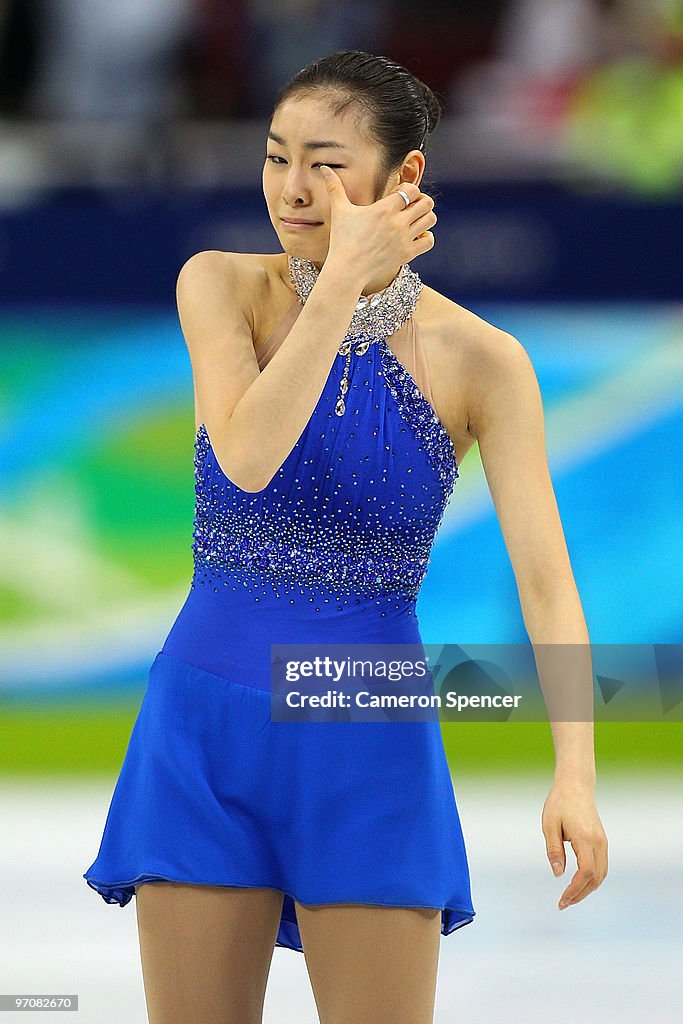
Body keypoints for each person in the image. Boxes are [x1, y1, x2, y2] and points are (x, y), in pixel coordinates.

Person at [83, 49, 609, 1024]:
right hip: (203, 726)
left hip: (365, 734)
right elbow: (246, 455)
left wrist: (572, 771)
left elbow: (545, 583)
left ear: (401, 178)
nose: (290, 188)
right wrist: (338, 288)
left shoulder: (483, 361)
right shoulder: (220, 286)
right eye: (276, 156)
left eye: (324, 163)